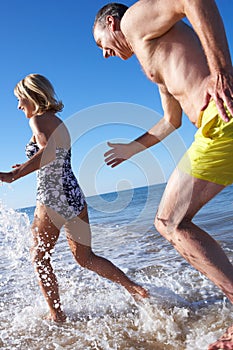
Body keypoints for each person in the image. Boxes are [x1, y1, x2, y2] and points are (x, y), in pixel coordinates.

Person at [93, 2, 233, 349]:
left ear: (110, 22)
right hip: (214, 127)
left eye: (100, 44)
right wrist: (132, 149)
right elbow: (171, 120)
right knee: (171, 222)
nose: (105, 55)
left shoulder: (132, 21)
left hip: (223, 119)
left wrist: (220, 70)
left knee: (169, 221)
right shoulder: (149, 52)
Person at [0, 74, 148, 323]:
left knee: (39, 257)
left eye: (19, 99)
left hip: (53, 195)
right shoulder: (57, 121)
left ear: (32, 95)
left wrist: (14, 174)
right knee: (86, 257)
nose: (18, 106)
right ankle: (136, 289)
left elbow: (50, 152)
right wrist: (27, 163)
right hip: (73, 194)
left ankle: (56, 315)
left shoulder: (36, 120)